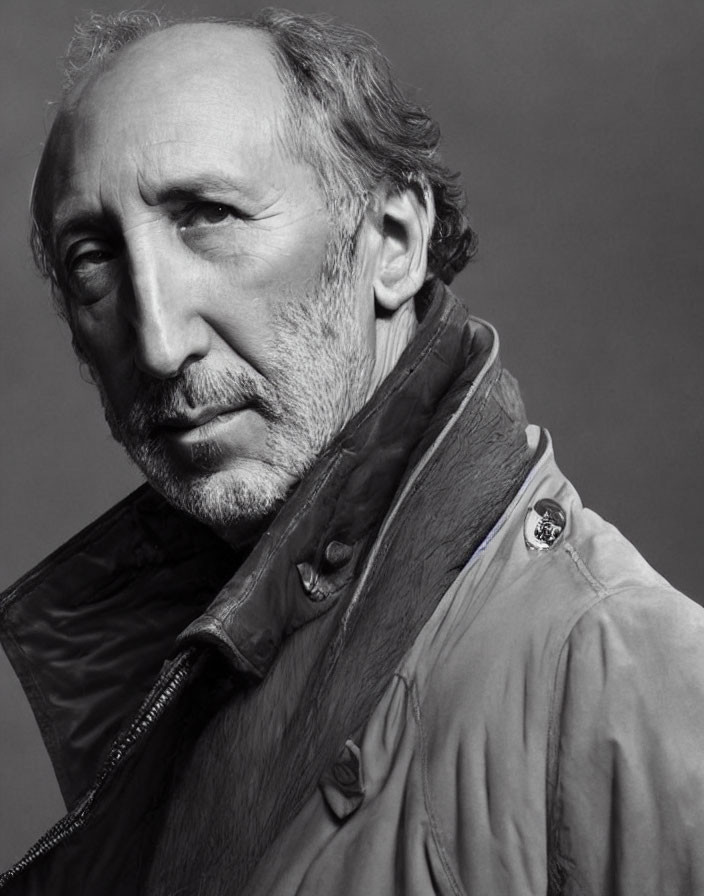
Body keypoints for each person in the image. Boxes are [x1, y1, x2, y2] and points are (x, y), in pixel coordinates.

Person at [1, 8, 703, 895]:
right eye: (92, 260)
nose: (158, 342)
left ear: (396, 244)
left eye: (209, 215)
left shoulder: (621, 677)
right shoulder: (198, 681)